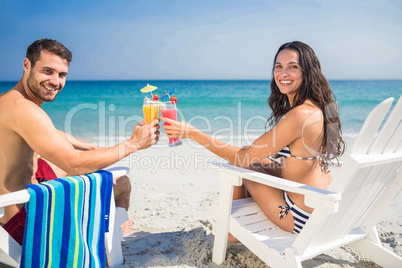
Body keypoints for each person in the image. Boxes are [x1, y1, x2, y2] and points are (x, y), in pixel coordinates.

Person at [162, 41, 345, 237]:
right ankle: (232, 230)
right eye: (278, 66)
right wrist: (256, 157)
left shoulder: (299, 115)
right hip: (321, 204)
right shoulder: (321, 107)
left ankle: (229, 234)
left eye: (293, 67)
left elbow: (243, 157)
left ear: (308, 72)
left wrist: (192, 133)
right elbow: (299, 163)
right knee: (257, 160)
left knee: (239, 163)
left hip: (300, 216)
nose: (283, 74)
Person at [0, 38, 160, 244]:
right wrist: (134, 144)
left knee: (70, 156)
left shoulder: (10, 100)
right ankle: (111, 236)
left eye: (62, 74)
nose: (55, 82)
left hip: (14, 200)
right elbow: (73, 164)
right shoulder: (25, 110)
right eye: (47, 71)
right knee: (121, 183)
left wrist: (88, 146)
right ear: (26, 65)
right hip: (24, 222)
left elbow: (42, 131)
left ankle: (110, 228)